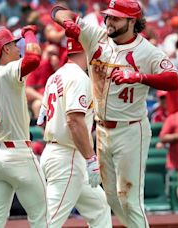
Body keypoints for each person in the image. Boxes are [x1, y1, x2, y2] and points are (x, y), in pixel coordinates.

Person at [51, 1, 178, 227]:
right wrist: (68, 22)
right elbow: (58, 11)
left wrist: (140, 77)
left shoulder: (147, 51)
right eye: (108, 16)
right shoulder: (96, 36)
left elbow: (173, 79)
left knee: (129, 199)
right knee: (112, 198)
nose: (109, 21)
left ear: (132, 21)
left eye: (116, 18)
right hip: (102, 129)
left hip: (130, 129)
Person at [0, 26, 49, 227]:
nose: (19, 48)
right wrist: (28, 33)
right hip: (17, 154)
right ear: (5, 49)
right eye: (15, 44)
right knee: (42, 217)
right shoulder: (6, 72)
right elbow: (33, 59)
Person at [39, 38, 112, 228]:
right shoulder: (79, 77)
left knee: (100, 206)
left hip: (59, 152)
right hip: (67, 156)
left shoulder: (55, 76)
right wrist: (90, 159)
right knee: (49, 221)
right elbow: (74, 120)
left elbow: (42, 121)